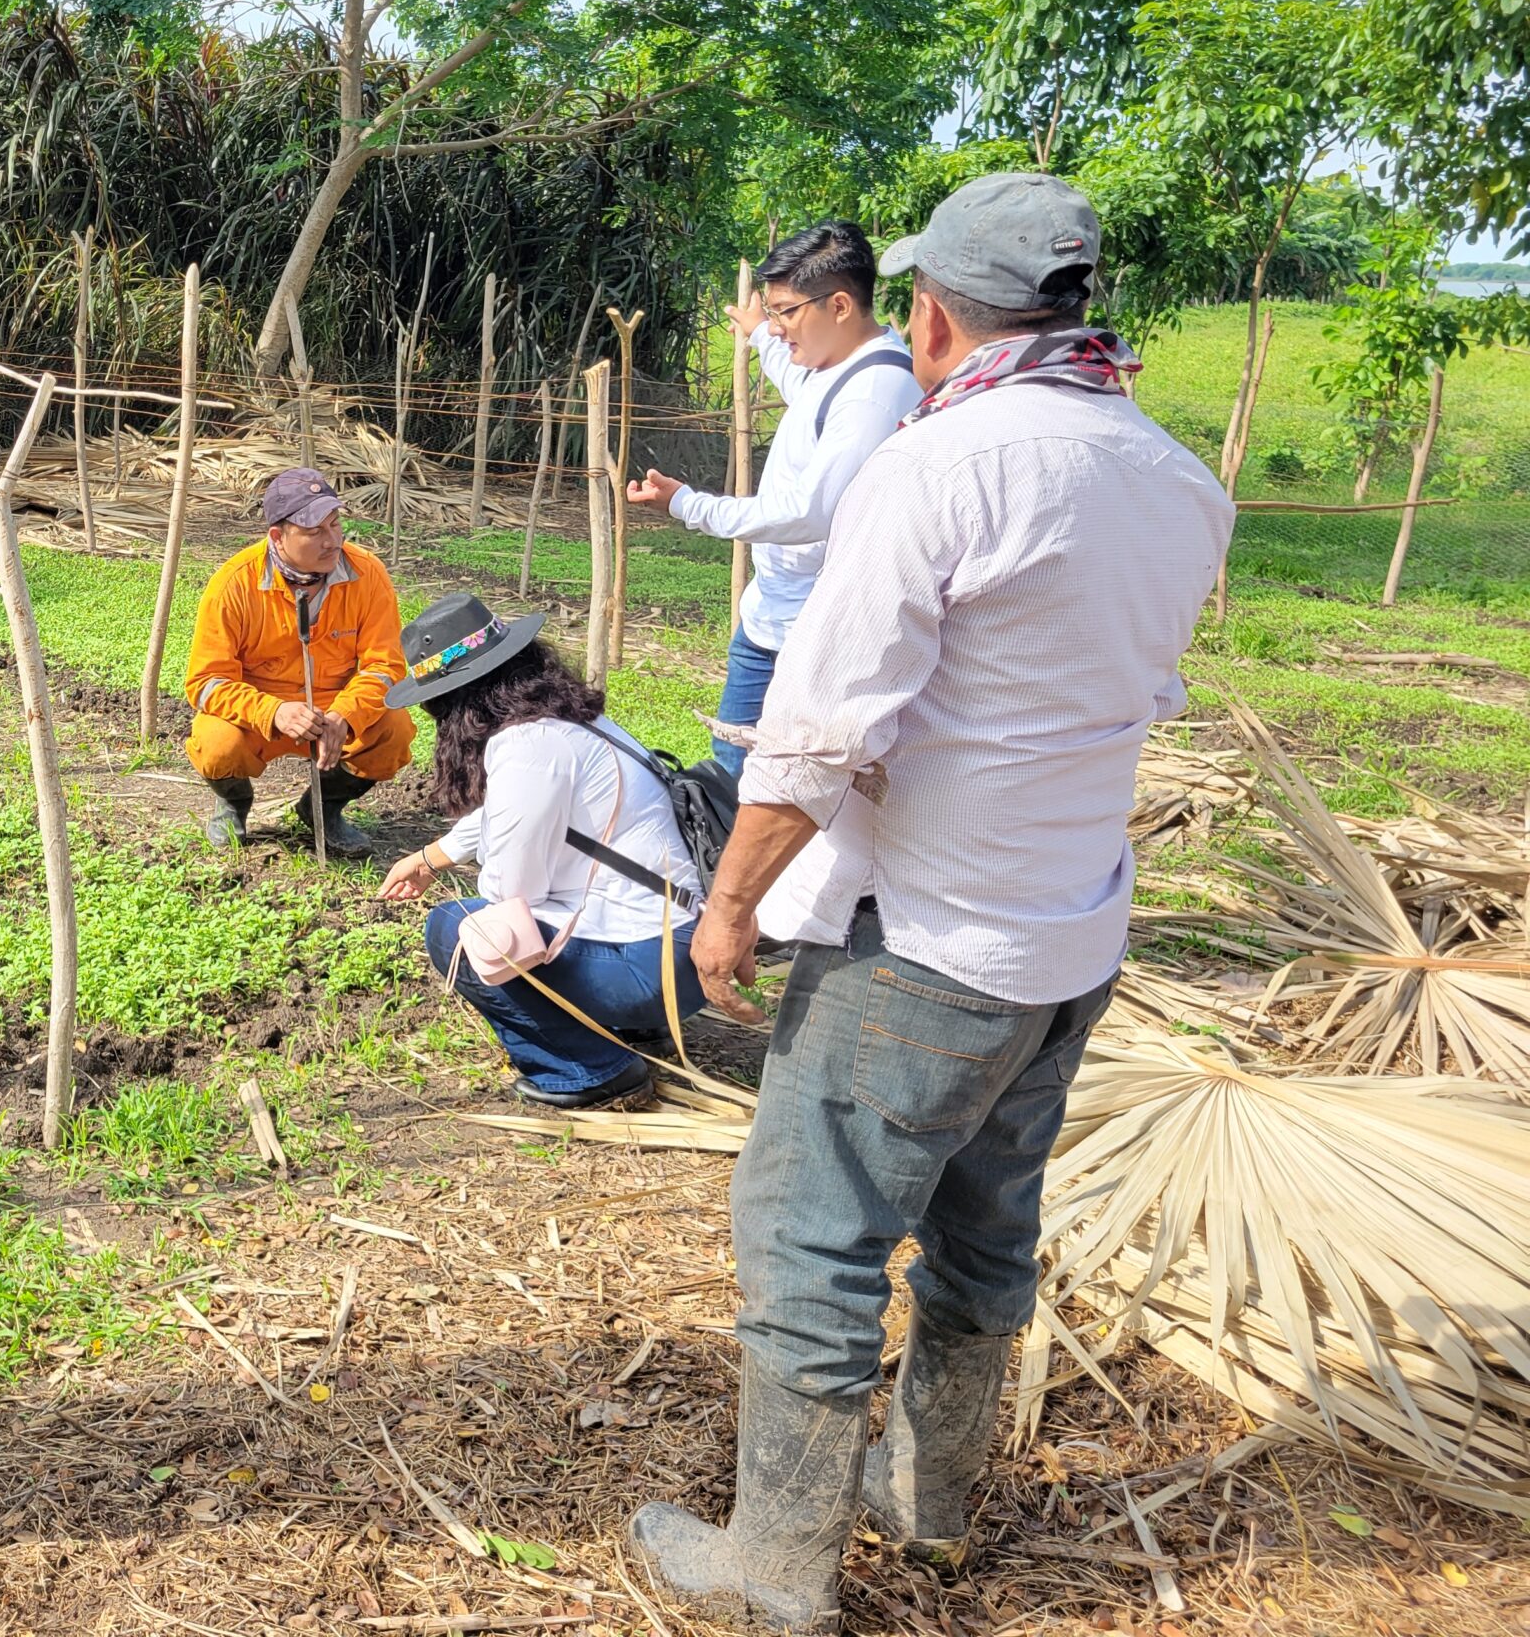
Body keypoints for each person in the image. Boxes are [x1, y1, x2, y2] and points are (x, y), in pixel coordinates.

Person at [624, 173, 1234, 1634]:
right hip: (1068, 937)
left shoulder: (939, 465)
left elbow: (826, 732)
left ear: (934, 311)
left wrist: (727, 913)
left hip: (927, 945)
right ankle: (930, 1498)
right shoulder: (1173, 478)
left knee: (811, 1236)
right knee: (982, 1229)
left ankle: (776, 1573)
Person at [374, 594, 707, 1111]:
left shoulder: (526, 747)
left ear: (456, 701)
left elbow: (512, 896)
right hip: (684, 949)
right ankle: (629, 1030)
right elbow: (513, 812)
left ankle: (589, 1070)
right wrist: (430, 857)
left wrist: (487, 872)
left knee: (458, 929)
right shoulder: (571, 721)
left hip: (649, 970)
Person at [625, 222, 918, 775]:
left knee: (778, 781)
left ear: (837, 306)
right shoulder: (835, 367)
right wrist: (761, 332)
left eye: (786, 312)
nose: (780, 328)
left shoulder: (876, 392)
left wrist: (688, 504)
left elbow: (808, 512)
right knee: (733, 768)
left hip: (815, 632)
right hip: (771, 617)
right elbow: (799, 386)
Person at [183, 467, 412, 856]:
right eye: (314, 532)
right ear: (277, 536)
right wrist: (272, 711)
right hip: (260, 713)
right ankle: (234, 804)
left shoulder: (368, 574)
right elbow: (205, 683)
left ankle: (323, 807)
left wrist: (345, 715)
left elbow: (385, 666)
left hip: (335, 711)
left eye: (335, 525)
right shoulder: (233, 583)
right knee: (217, 744)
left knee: (395, 730)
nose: (332, 540)